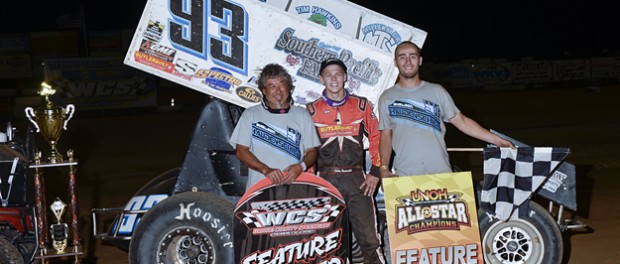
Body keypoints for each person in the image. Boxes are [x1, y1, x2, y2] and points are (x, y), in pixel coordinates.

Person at [378, 41, 514, 177]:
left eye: (412, 56)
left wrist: (497, 140)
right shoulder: (387, 97)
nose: (408, 61)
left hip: (442, 174)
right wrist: (383, 168)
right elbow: (385, 135)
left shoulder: (437, 91)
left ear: (420, 60)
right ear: (395, 62)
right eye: (402, 57)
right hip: (405, 176)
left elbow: (462, 122)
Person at [307, 58, 386, 264]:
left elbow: (378, 137)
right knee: (327, 240)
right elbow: (306, 150)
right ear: (321, 79)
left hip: (358, 180)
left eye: (338, 74)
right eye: (328, 74)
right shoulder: (311, 110)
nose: (334, 78)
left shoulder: (361, 105)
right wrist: (310, 183)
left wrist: (375, 172)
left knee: (369, 239)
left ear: (345, 77)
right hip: (326, 181)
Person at [230, 63, 320, 189]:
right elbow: (241, 151)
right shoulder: (250, 115)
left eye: (282, 85)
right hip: (259, 190)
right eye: (272, 86)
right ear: (263, 90)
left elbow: (312, 151)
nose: (278, 91)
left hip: (294, 190)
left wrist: (300, 167)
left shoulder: (302, 115)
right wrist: (266, 170)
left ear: (289, 88)